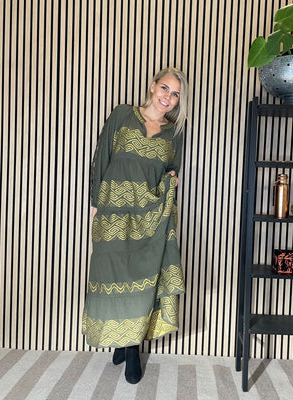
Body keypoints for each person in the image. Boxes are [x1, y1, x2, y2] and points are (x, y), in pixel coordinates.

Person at [82, 67, 188, 384]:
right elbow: (101, 158)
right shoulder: (122, 115)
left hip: (149, 219)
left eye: (175, 94)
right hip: (113, 212)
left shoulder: (174, 133)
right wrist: (95, 203)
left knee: (142, 280)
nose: (168, 97)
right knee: (112, 277)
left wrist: (171, 179)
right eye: (165, 88)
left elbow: (172, 170)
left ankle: (131, 349)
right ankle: (121, 341)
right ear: (153, 86)